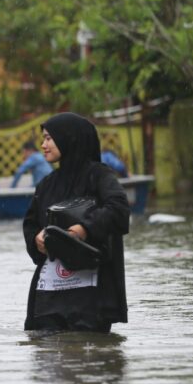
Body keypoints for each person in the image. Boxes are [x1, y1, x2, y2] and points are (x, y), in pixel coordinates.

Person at [23, 112, 130, 332]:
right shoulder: (46, 184)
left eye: (49, 138)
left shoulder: (99, 176)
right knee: (44, 353)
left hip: (90, 295)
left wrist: (84, 229)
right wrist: (36, 240)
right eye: (43, 139)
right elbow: (31, 222)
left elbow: (119, 209)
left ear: (68, 139)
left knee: (89, 356)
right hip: (49, 294)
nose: (43, 145)